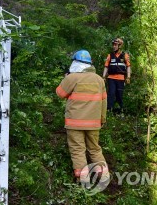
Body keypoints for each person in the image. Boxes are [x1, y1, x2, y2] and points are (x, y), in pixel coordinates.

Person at [56, 50, 109, 182]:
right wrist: (102, 119)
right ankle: (103, 176)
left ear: (75, 63)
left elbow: (60, 93)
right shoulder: (99, 80)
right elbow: (104, 102)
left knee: (77, 149)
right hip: (94, 123)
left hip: (74, 122)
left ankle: (82, 179)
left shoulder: (72, 78)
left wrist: (66, 78)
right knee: (95, 149)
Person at [102, 38, 131, 113]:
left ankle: (119, 111)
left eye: (115, 45)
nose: (113, 46)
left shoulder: (125, 55)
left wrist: (128, 77)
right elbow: (106, 67)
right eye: (113, 45)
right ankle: (108, 110)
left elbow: (128, 66)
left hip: (121, 79)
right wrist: (103, 77)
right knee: (111, 93)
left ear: (120, 46)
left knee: (119, 95)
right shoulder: (110, 56)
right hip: (111, 78)